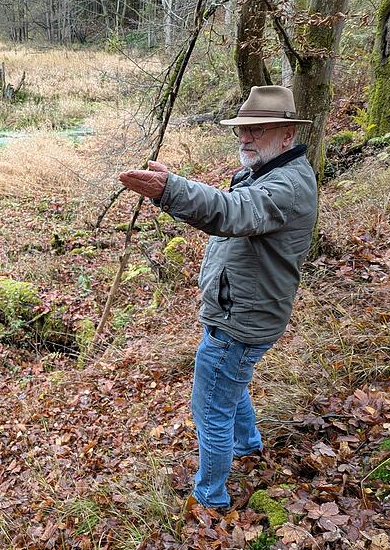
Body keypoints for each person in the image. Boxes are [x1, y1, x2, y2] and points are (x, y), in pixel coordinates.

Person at [118, 85, 318, 510]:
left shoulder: (285, 185)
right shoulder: (267, 172)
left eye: (257, 130)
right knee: (229, 385)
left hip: (240, 321)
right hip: (240, 311)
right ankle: (248, 445)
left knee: (210, 408)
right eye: (242, 129)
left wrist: (171, 190)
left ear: (287, 135)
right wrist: (176, 188)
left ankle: (210, 497)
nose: (245, 137)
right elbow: (233, 205)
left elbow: (231, 212)